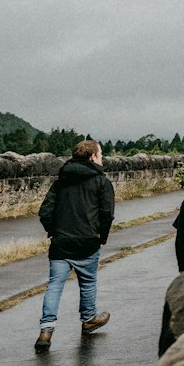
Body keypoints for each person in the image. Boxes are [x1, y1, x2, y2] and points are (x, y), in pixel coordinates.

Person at [34, 138, 115, 354]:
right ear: (92, 156)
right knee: (87, 282)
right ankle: (89, 319)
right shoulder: (101, 181)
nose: (102, 158)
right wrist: (101, 236)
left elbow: (45, 211)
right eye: (101, 154)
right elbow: (107, 214)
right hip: (88, 241)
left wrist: (54, 231)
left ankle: (46, 331)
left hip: (61, 242)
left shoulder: (62, 179)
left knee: (54, 285)